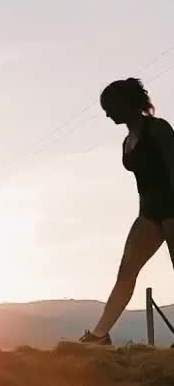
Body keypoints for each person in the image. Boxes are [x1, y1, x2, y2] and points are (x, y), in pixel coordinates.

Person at [80, 77, 174, 345]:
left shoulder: (158, 129)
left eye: (110, 106)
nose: (107, 113)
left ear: (127, 103)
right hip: (148, 212)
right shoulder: (127, 141)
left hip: (172, 206)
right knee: (126, 271)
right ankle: (99, 335)